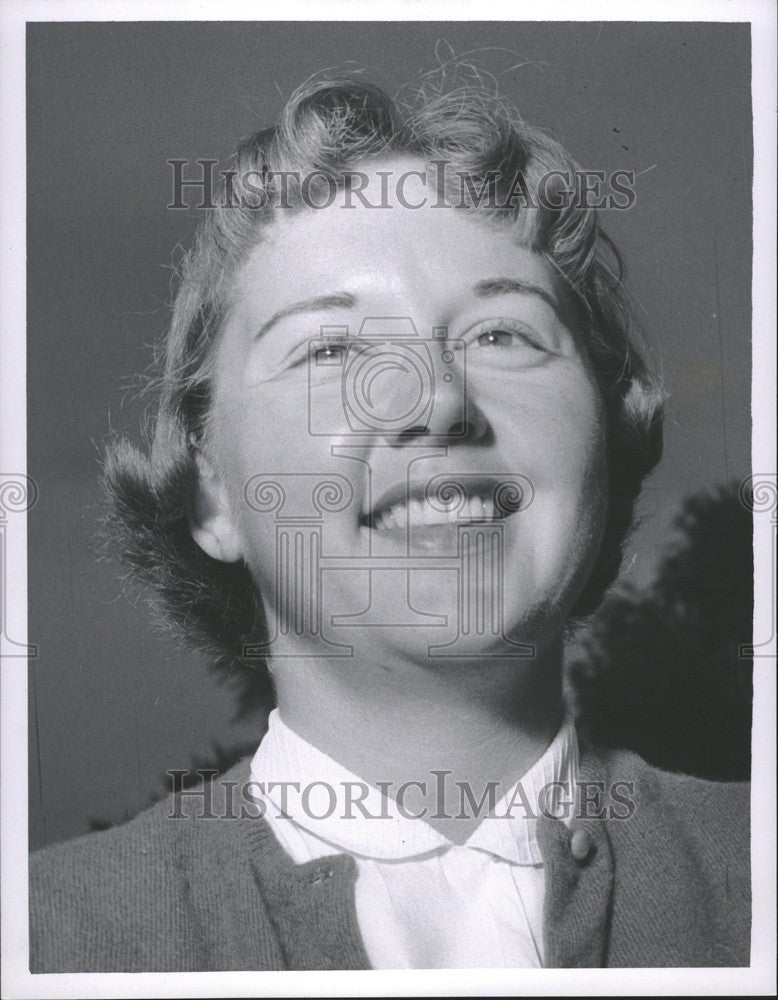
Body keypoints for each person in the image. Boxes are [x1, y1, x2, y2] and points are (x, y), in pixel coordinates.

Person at [29, 72, 750, 972]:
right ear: (210, 491)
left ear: (607, 435)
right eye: (331, 349)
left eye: (503, 335)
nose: (438, 400)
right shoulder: (47, 940)